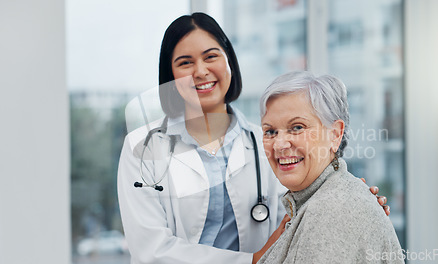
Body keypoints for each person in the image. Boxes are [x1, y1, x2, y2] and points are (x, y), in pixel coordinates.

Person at [117, 12, 390, 264]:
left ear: (229, 63)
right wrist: (250, 260)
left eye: (210, 56)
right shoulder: (142, 148)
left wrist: (353, 200)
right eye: (185, 62)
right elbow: (150, 250)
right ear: (171, 77)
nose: (200, 71)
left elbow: (305, 202)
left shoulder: (267, 141)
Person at [257, 71, 403, 264]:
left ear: (335, 135)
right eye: (270, 131)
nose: (279, 144)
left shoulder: (332, 212)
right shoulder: (322, 199)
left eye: (298, 127)